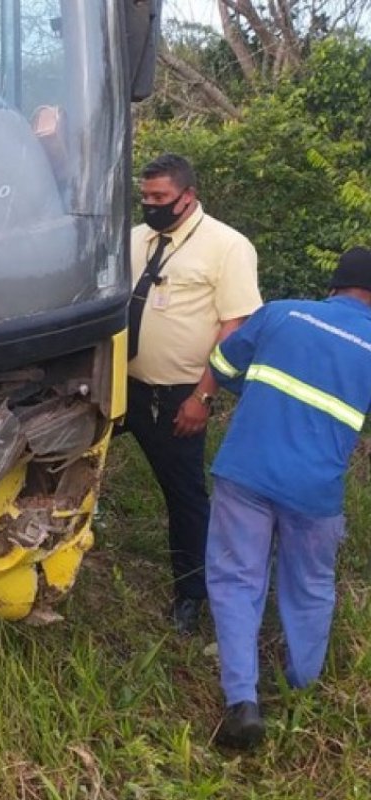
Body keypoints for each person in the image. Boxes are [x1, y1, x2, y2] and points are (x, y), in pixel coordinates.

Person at [205, 246, 371, 749]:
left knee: (237, 580)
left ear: (334, 285)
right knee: (311, 586)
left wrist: (253, 393)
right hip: (316, 491)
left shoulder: (282, 313)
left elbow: (222, 363)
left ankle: (243, 702)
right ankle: (303, 690)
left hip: (247, 471)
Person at [126, 153, 262, 634]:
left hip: (178, 394)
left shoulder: (227, 247)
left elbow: (237, 326)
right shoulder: (136, 240)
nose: (151, 206)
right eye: (145, 197)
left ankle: (190, 594)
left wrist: (203, 396)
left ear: (188, 196)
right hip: (122, 384)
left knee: (183, 496)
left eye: (160, 198)